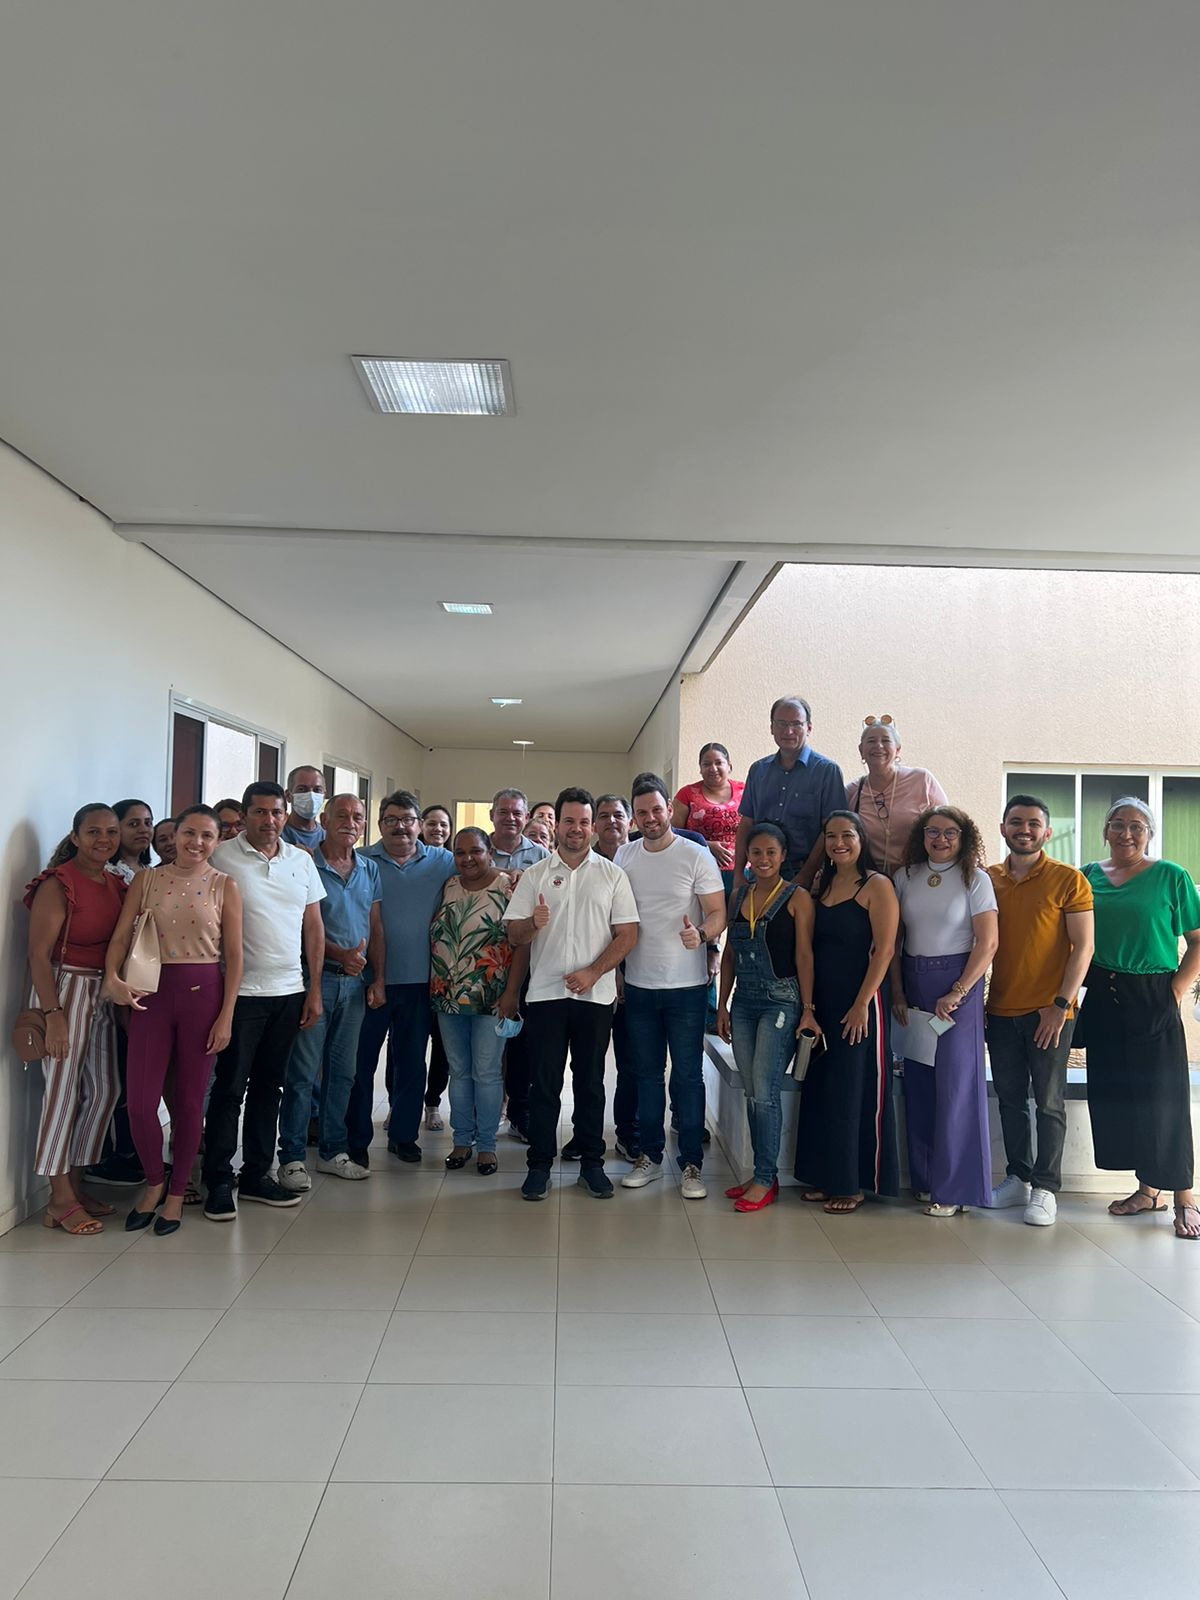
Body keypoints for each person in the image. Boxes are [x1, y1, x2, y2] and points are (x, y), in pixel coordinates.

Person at [102, 805, 243, 1235]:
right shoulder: (147, 880)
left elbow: (235, 956)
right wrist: (112, 978)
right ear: (175, 835)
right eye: (189, 833)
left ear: (216, 842)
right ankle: (154, 1182)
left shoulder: (224, 885)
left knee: (189, 1103)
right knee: (140, 1103)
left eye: (206, 836)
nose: (196, 843)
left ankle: (178, 1192)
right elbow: (121, 936)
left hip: (204, 998)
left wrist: (226, 1016)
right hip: (150, 995)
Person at [504, 788, 639, 1201]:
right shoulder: (535, 875)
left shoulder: (612, 875)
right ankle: (539, 1165)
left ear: (593, 826)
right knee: (544, 1084)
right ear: (556, 825)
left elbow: (627, 934)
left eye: (583, 822)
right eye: (569, 821)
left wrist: (594, 972)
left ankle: (592, 1164)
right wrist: (533, 922)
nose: (576, 829)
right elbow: (514, 935)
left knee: (591, 1083)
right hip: (545, 996)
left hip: (594, 997)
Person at [201, 782, 326, 1219]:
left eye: (276, 812)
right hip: (239, 995)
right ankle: (218, 1179)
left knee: (269, 1088)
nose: (269, 820)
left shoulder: (301, 861)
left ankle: (256, 1174)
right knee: (229, 1089)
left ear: (285, 815)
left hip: (288, 992)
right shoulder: (221, 857)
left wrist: (313, 988)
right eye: (259, 812)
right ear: (245, 815)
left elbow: (313, 925)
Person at [1077, 798, 1200, 1241]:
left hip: (1153, 994)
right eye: (1118, 824)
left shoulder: (1170, 876)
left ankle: (1184, 1196)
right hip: (1102, 994)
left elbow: (1197, 940)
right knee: (1120, 1093)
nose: (1126, 833)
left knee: (1164, 1096)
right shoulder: (1087, 876)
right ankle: (1148, 1191)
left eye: (1137, 826)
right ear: (1105, 831)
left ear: (1149, 834)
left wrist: (1176, 990)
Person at [986, 796, 1095, 1227]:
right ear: (1003, 829)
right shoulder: (989, 879)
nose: (1024, 829)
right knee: (1010, 1100)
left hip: (1050, 1012)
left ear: (1047, 832)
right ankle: (1018, 1177)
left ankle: (1046, 1188)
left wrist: (1060, 1006)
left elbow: (1083, 947)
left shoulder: (1068, 879)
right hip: (1000, 1010)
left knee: (1049, 1103)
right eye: (1016, 822)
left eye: (1033, 823)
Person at [617, 775, 726, 1200]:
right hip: (640, 986)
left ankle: (692, 1165)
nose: (650, 818)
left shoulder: (695, 855)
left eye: (656, 810)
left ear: (669, 809)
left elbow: (717, 912)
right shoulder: (624, 855)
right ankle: (649, 1156)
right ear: (634, 816)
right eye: (641, 812)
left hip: (686, 988)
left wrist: (702, 934)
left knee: (687, 1077)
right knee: (646, 1075)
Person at [891, 807, 999, 1216]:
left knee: (956, 1086)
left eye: (950, 833)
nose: (940, 839)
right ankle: (926, 1179)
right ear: (921, 836)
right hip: (913, 982)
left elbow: (988, 944)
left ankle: (954, 1189)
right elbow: (896, 940)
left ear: (964, 837)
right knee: (919, 1082)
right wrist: (898, 991)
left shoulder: (976, 879)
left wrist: (959, 990)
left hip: (957, 986)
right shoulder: (906, 877)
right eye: (932, 832)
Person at [23, 805, 125, 1234]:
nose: (104, 839)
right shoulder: (58, 882)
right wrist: (54, 1015)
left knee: (104, 1090)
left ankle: (76, 1186)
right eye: (94, 831)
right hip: (64, 989)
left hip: (102, 992)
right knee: (62, 1094)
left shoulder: (116, 883)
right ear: (76, 836)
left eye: (111, 831)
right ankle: (59, 1197)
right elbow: (37, 954)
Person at [277, 794, 385, 1191]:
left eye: (357, 816)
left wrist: (378, 978)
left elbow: (375, 926)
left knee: (343, 1073)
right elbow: (301, 925)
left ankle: (332, 1151)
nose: (350, 822)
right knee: (303, 1074)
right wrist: (341, 955)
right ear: (324, 819)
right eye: (341, 815)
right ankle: (291, 1158)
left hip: (355, 986)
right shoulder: (305, 863)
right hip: (314, 981)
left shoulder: (369, 868)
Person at [795, 811, 900, 1212]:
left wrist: (861, 1005)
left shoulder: (877, 885)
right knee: (823, 1088)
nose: (839, 843)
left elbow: (885, 951)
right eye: (831, 836)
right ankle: (827, 1176)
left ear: (861, 840)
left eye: (847, 835)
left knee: (853, 1089)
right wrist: (809, 1006)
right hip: (823, 1002)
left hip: (860, 1003)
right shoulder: (821, 886)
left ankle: (852, 1184)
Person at [347, 790, 455, 1164]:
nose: (400, 827)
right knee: (361, 1064)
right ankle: (356, 1139)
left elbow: (480, 873)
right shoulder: (361, 860)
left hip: (420, 981)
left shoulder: (442, 861)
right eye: (391, 820)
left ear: (419, 825)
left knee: (411, 1063)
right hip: (370, 980)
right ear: (380, 825)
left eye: (408, 820)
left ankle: (404, 1135)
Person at [716, 824, 811, 1211]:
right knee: (752, 1091)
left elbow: (804, 955)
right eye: (756, 852)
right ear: (748, 857)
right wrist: (722, 1005)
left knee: (765, 1090)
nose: (763, 859)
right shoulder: (738, 895)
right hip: (743, 1002)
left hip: (781, 1002)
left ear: (783, 855)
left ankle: (764, 1177)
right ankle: (761, 1173)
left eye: (771, 852)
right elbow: (729, 954)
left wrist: (809, 1009)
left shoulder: (797, 897)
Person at [431, 829, 529, 1174]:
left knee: (486, 1072)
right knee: (459, 1072)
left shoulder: (508, 886)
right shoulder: (449, 886)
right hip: (447, 997)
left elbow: (522, 943)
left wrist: (511, 993)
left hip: (492, 998)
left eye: (475, 851)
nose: (467, 858)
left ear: (490, 852)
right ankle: (462, 1140)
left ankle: (486, 1145)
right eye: (460, 853)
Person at [734, 696, 847, 888]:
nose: (788, 731)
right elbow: (746, 823)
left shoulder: (827, 771)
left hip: (807, 875)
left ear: (808, 728)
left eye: (796, 724)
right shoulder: (758, 770)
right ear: (771, 727)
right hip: (760, 873)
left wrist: (806, 875)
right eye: (781, 724)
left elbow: (830, 829)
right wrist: (738, 874)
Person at [848, 717, 948, 876]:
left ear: (898, 749)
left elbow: (948, 826)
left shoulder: (921, 779)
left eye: (886, 740)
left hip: (920, 876)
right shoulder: (852, 791)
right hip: (871, 880)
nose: (878, 746)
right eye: (871, 741)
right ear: (861, 750)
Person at [672, 743, 745, 892]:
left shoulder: (745, 790)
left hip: (742, 871)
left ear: (729, 766)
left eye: (718, 763)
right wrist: (706, 845)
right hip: (701, 870)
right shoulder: (686, 794)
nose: (713, 768)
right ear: (700, 768)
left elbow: (755, 827)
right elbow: (673, 834)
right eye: (707, 764)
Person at [489, 788, 549, 872]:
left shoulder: (541, 855)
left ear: (526, 818)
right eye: (503, 812)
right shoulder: (478, 850)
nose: (510, 818)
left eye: (517, 813)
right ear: (492, 815)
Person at [109, 798, 154, 885]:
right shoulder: (105, 871)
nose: (144, 830)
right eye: (134, 824)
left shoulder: (153, 872)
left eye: (148, 823)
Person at [281, 765, 326, 850]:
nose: (311, 795)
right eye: (302, 789)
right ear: (288, 796)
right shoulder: (276, 834)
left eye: (317, 790)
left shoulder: (328, 838)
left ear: (324, 796)